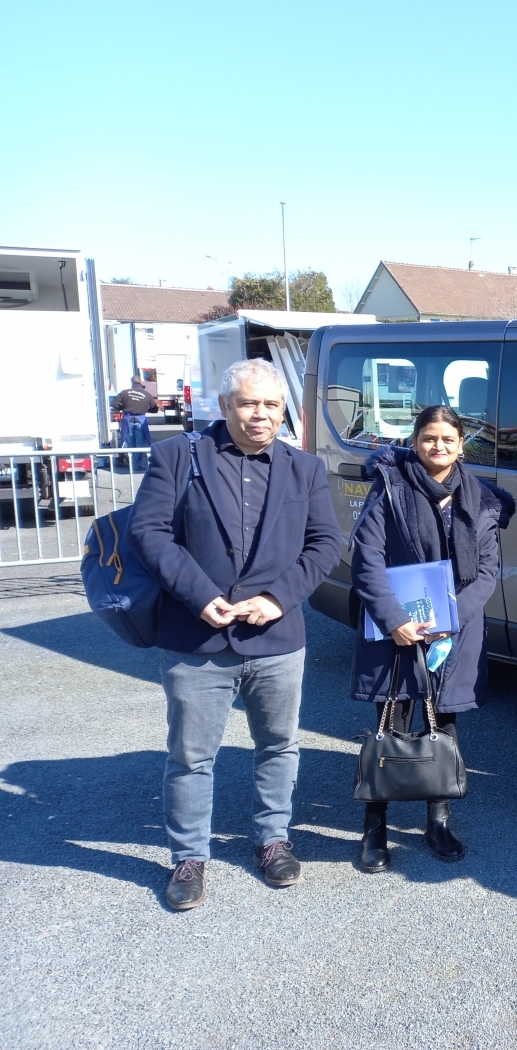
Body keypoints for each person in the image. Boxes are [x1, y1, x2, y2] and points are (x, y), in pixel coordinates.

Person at [130, 358, 343, 912]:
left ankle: (273, 840)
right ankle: (189, 856)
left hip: (276, 638)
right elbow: (148, 533)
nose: (260, 415)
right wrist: (200, 597)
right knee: (192, 756)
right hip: (195, 639)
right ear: (224, 406)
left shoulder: (304, 469)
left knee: (279, 744)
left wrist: (277, 598)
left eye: (272, 405)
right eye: (249, 403)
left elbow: (324, 544)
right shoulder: (178, 457)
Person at [349, 405, 511, 872]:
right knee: (389, 722)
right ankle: (374, 826)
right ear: (415, 442)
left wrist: (450, 617)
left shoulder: (480, 499)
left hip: (453, 630)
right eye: (428, 439)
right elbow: (366, 560)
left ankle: (437, 821)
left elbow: (486, 572)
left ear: (462, 445)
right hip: (394, 628)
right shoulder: (390, 490)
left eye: (447, 439)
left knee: (444, 723)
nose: (437, 447)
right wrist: (395, 618)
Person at [112, 375, 157, 449]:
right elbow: (155, 409)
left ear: (132, 383)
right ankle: (137, 460)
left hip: (128, 420)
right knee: (140, 444)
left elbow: (113, 403)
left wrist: (123, 407)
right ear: (141, 383)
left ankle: (132, 460)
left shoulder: (124, 393)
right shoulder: (147, 395)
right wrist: (145, 409)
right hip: (140, 421)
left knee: (131, 444)